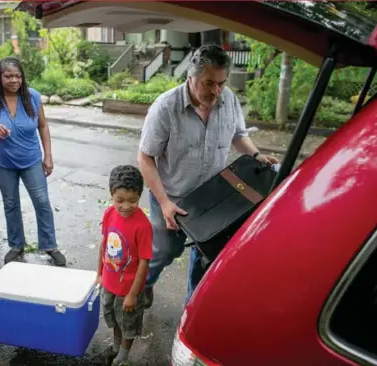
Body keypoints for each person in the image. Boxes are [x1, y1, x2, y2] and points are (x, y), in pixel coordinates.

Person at [138, 44, 279, 308]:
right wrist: (165, 203)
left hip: (213, 197)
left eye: (221, 83)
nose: (216, 91)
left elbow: (238, 136)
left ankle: (192, 307)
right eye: (209, 83)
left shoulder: (229, 101)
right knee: (165, 252)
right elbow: (145, 158)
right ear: (191, 77)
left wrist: (256, 155)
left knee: (206, 254)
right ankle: (144, 283)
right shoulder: (165, 108)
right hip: (172, 197)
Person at [0, 57, 66, 267]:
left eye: (18, 76)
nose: (14, 80)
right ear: (0, 77)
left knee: (42, 202)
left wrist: (48, 156)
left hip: (31, 160)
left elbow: (43, 126)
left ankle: (49, 245)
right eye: (8, 76)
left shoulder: (32, 97)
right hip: (3, 162)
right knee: (11, 204)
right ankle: (16, 245)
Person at [95, 165, 153, 366]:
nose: (126, 206)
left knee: (128, 322)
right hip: (109, 284)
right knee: (114, 318)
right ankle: (116, 344)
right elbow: (104, 244)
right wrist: (99, 273)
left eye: (133, 200)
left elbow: (144, 261)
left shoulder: (143, 225)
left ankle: (123, 355)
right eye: (120, 200)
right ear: (111, 195)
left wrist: (132, 294)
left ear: (139, 196)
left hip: (128, 289)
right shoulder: (109, 214)